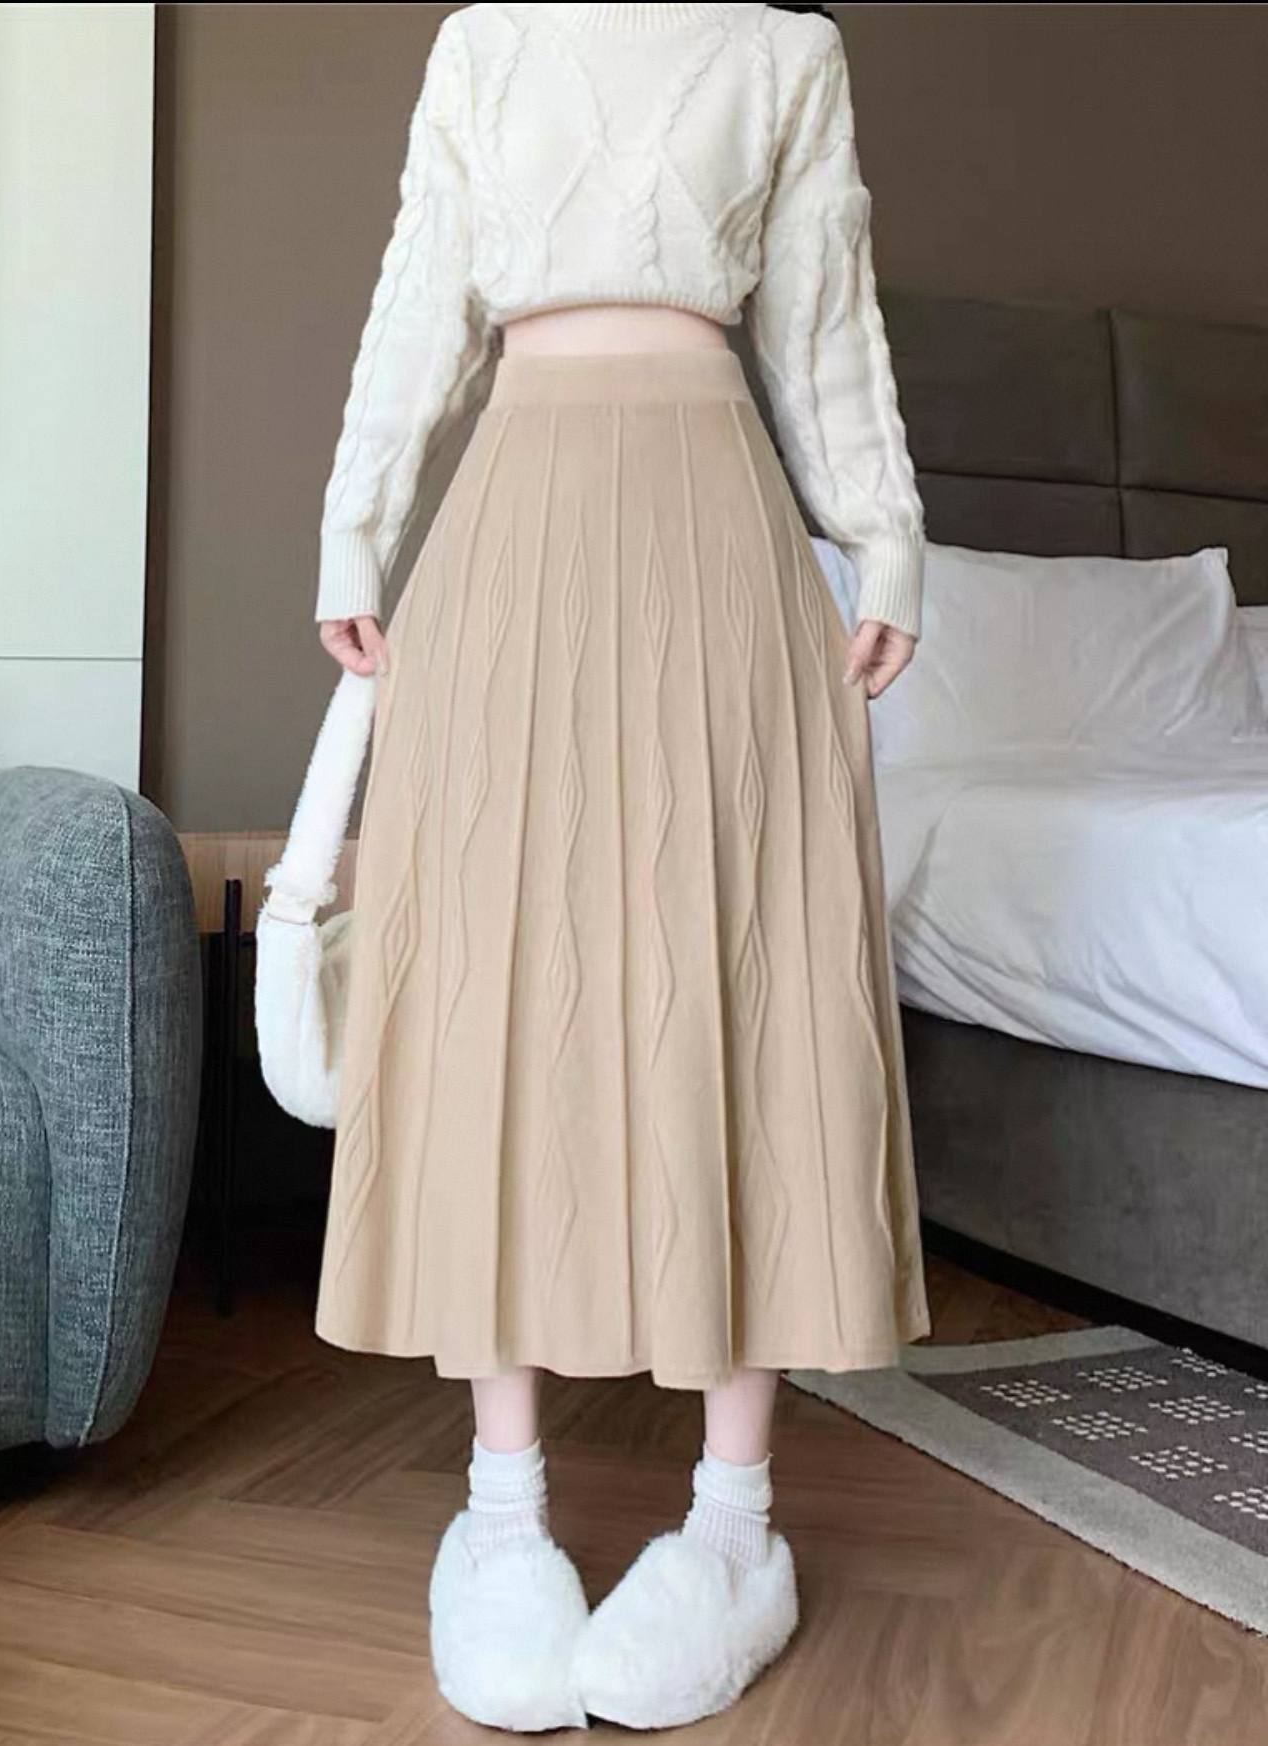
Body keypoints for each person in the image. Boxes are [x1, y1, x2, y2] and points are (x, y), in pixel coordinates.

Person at [311, 1, 931, 1731]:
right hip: (509, 526)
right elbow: (422, 294)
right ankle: (501, 1513)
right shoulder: (483, 45)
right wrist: (356, 522)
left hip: (719, 530)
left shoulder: (783, 55)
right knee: (499, 992)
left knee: (748, 979)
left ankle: (733, 1524)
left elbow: (822, 313)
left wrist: (884, 533)